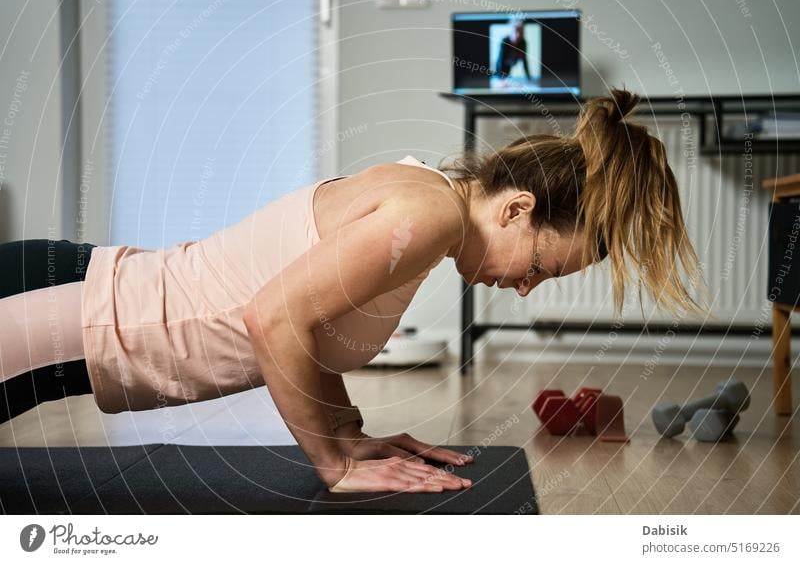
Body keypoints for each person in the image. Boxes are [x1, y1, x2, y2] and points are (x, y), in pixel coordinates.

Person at [0, 87, 708, 494]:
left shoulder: (428, 205)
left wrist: (349, 433)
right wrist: (334, 466)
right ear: (518, 208)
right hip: (59, 315)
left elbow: (305, 321)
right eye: (541, 268)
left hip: (76, 307)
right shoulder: (425, 216)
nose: (523, 289)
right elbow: (270, 318)